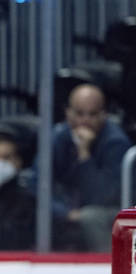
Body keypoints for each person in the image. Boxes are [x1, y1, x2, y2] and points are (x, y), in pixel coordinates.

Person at [52, 83, 131, 251]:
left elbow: (103, 197)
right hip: (68, 207)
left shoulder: (116, 143)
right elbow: (37, 184)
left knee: (91, 217)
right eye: (79, 113)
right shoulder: (58, 137)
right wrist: (64, 211)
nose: (85, 121)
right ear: (68, 113)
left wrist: (84, 154)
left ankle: (107, 268)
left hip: (110, 211)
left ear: (104, 115)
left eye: (92, 114)